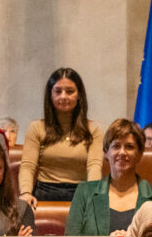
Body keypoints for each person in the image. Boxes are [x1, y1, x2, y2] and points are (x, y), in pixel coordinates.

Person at [66, 119, 152, 236]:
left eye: (129, 147)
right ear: (106, 152)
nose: (122, 152)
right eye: (116, 146)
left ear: (140, 154)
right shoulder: (85, 192)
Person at [18, 67, 104, 204]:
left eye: (70, 91)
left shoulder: (94, 129)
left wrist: (93, 195)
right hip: (44, 193)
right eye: (58, 91)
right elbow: (28, 166)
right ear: (50, 95)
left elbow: (94, 165)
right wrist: (26, 193)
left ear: (79, 95)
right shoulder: (36, 127)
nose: (63, 96)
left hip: (81, 194)